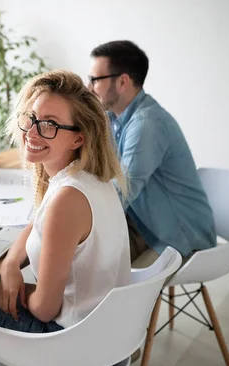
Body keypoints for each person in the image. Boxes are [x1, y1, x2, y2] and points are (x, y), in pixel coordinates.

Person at [0, 70, 131, 366]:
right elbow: (36, 225)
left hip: (79, 353)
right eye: (31, 118)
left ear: (78, 137)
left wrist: (23, 293)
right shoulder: (88, 180)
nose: (32, 132)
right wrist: (10, 265)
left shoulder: (67, 198)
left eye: (49, 124)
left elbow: (46, 310)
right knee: (1, 283)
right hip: (110, 338)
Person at [88, 40, 216, 268]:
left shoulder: (147, 124)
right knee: (81, 254)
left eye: (95, 80)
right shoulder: (115, 119)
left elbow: (121, 192)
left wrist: (74, 212)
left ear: (122, 81)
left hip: (179, 235)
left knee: (96, 268)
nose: (89, 87)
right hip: (144, 221)